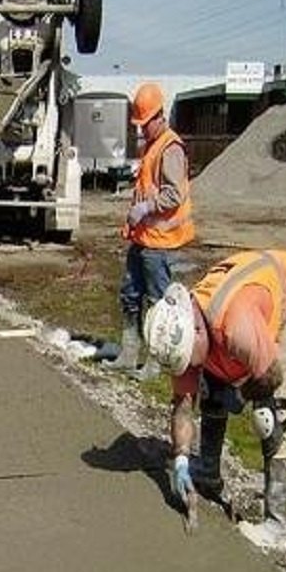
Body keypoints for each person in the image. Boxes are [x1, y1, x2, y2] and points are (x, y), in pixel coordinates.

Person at [142, 249, 286, 552]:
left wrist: (238, 396)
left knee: (270, 415)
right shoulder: (183, 329)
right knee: (211, 386)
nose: (187, 366)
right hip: (244, 309)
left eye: (188, 359)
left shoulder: (237, 326)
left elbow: (269, 377)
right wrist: (182, 459)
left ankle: (276, 525)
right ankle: (208, 474)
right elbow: (183, 404)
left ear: (198, 331)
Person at [105, 82, 195, 377]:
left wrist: (145, 209)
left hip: (161, 243)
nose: (142, 130)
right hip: (144, 238)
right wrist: (134, 218)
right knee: (130, 294)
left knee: (158, 304)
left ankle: (154, 364)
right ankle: (129, 354)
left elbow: (173, 195)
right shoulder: (152, 146)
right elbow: (146, 189)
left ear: (159, 116)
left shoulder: (170, 148)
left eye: (145, 124)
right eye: (139, 125)